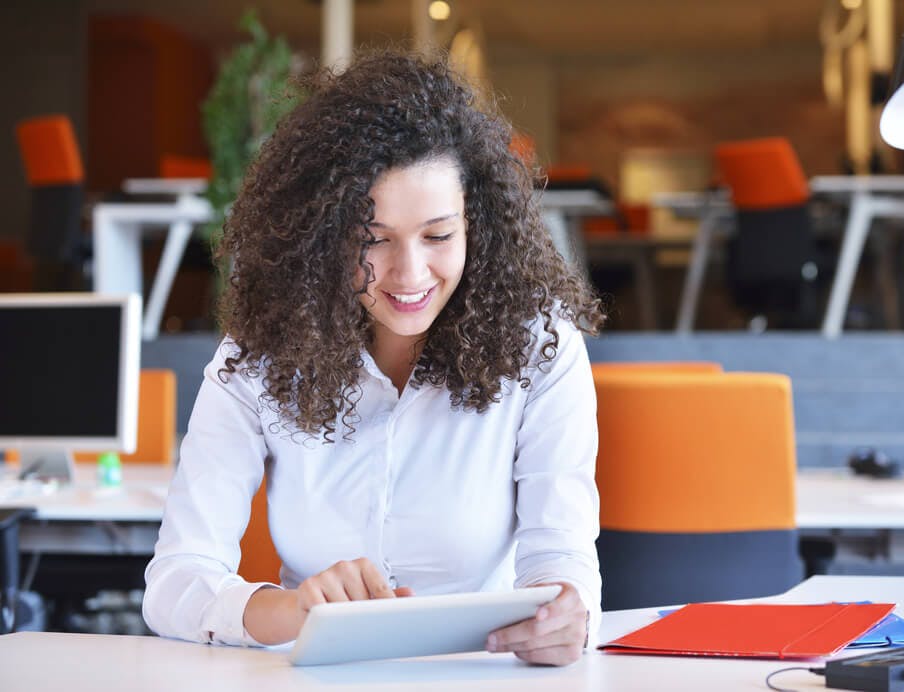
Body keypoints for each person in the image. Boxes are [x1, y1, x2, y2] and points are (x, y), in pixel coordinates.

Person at [142, 50, 606, 667]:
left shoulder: (539, 350)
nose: (409, 274)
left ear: (478, 228)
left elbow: (564, 557)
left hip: (482, 676)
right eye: (373, 239)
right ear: (322, 234)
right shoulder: (260, 356)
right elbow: (175, 582)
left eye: (438, 236)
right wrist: (294, 611)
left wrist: (565, 613)